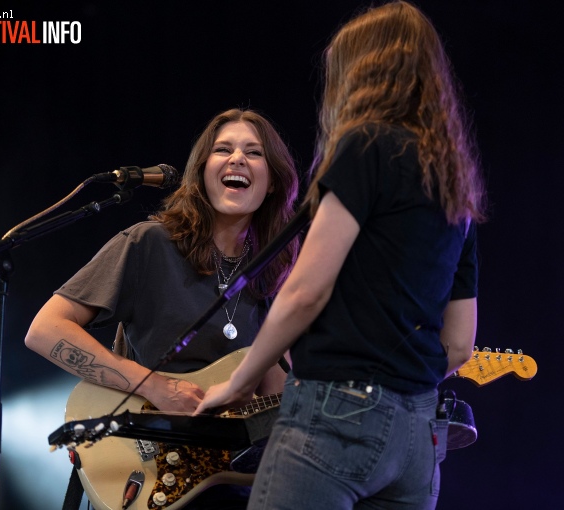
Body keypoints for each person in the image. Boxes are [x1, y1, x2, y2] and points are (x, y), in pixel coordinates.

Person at [195, 2, 487, 509]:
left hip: (335, 414)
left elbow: (307, 291)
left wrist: (238, 384)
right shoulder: (454, 190)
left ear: (363, 72)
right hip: (417, 437)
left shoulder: (366, 145)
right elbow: (459, 345)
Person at [25, 108, 300, 509]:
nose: (237, 159)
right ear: (202, 170)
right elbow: (46, 330)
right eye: (223, 149)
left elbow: (277, 394)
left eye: (254, 153)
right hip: (151, 464)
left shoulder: (279, 273)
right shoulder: (150, 243)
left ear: (273, 181)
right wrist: (154, 385)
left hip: (236, 485)